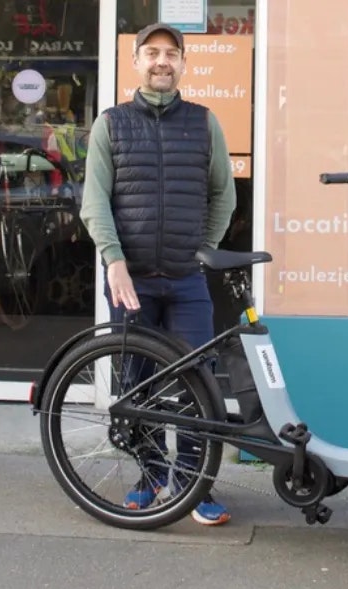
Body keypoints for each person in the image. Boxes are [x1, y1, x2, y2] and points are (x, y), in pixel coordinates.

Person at [79, 22, 237, 526]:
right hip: (132, 279)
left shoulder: (204, 122)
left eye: (171, 53)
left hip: (186, 279)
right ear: (136, 62)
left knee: (198, 383)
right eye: (152, 53)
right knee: (136, 386)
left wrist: (204, 250)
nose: (162, 61)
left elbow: (224, 195)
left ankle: (193, 484)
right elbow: (94, 201)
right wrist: (114, 260)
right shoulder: (111, 124)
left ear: (184, 64)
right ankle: (149, 478)